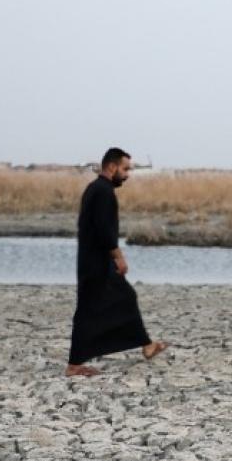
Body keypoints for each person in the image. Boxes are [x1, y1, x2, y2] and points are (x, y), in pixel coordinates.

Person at [65, 147, 168, 377]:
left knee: (117, 301)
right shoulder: (102, 191)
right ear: (112, 167)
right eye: (125, 169)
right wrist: (118, 257)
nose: (128, 174)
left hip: (93, 260)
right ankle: (74, 365)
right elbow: (104, 230)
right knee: (97, 308)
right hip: (97, 263)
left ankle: (146, 345)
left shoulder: (97, 188)